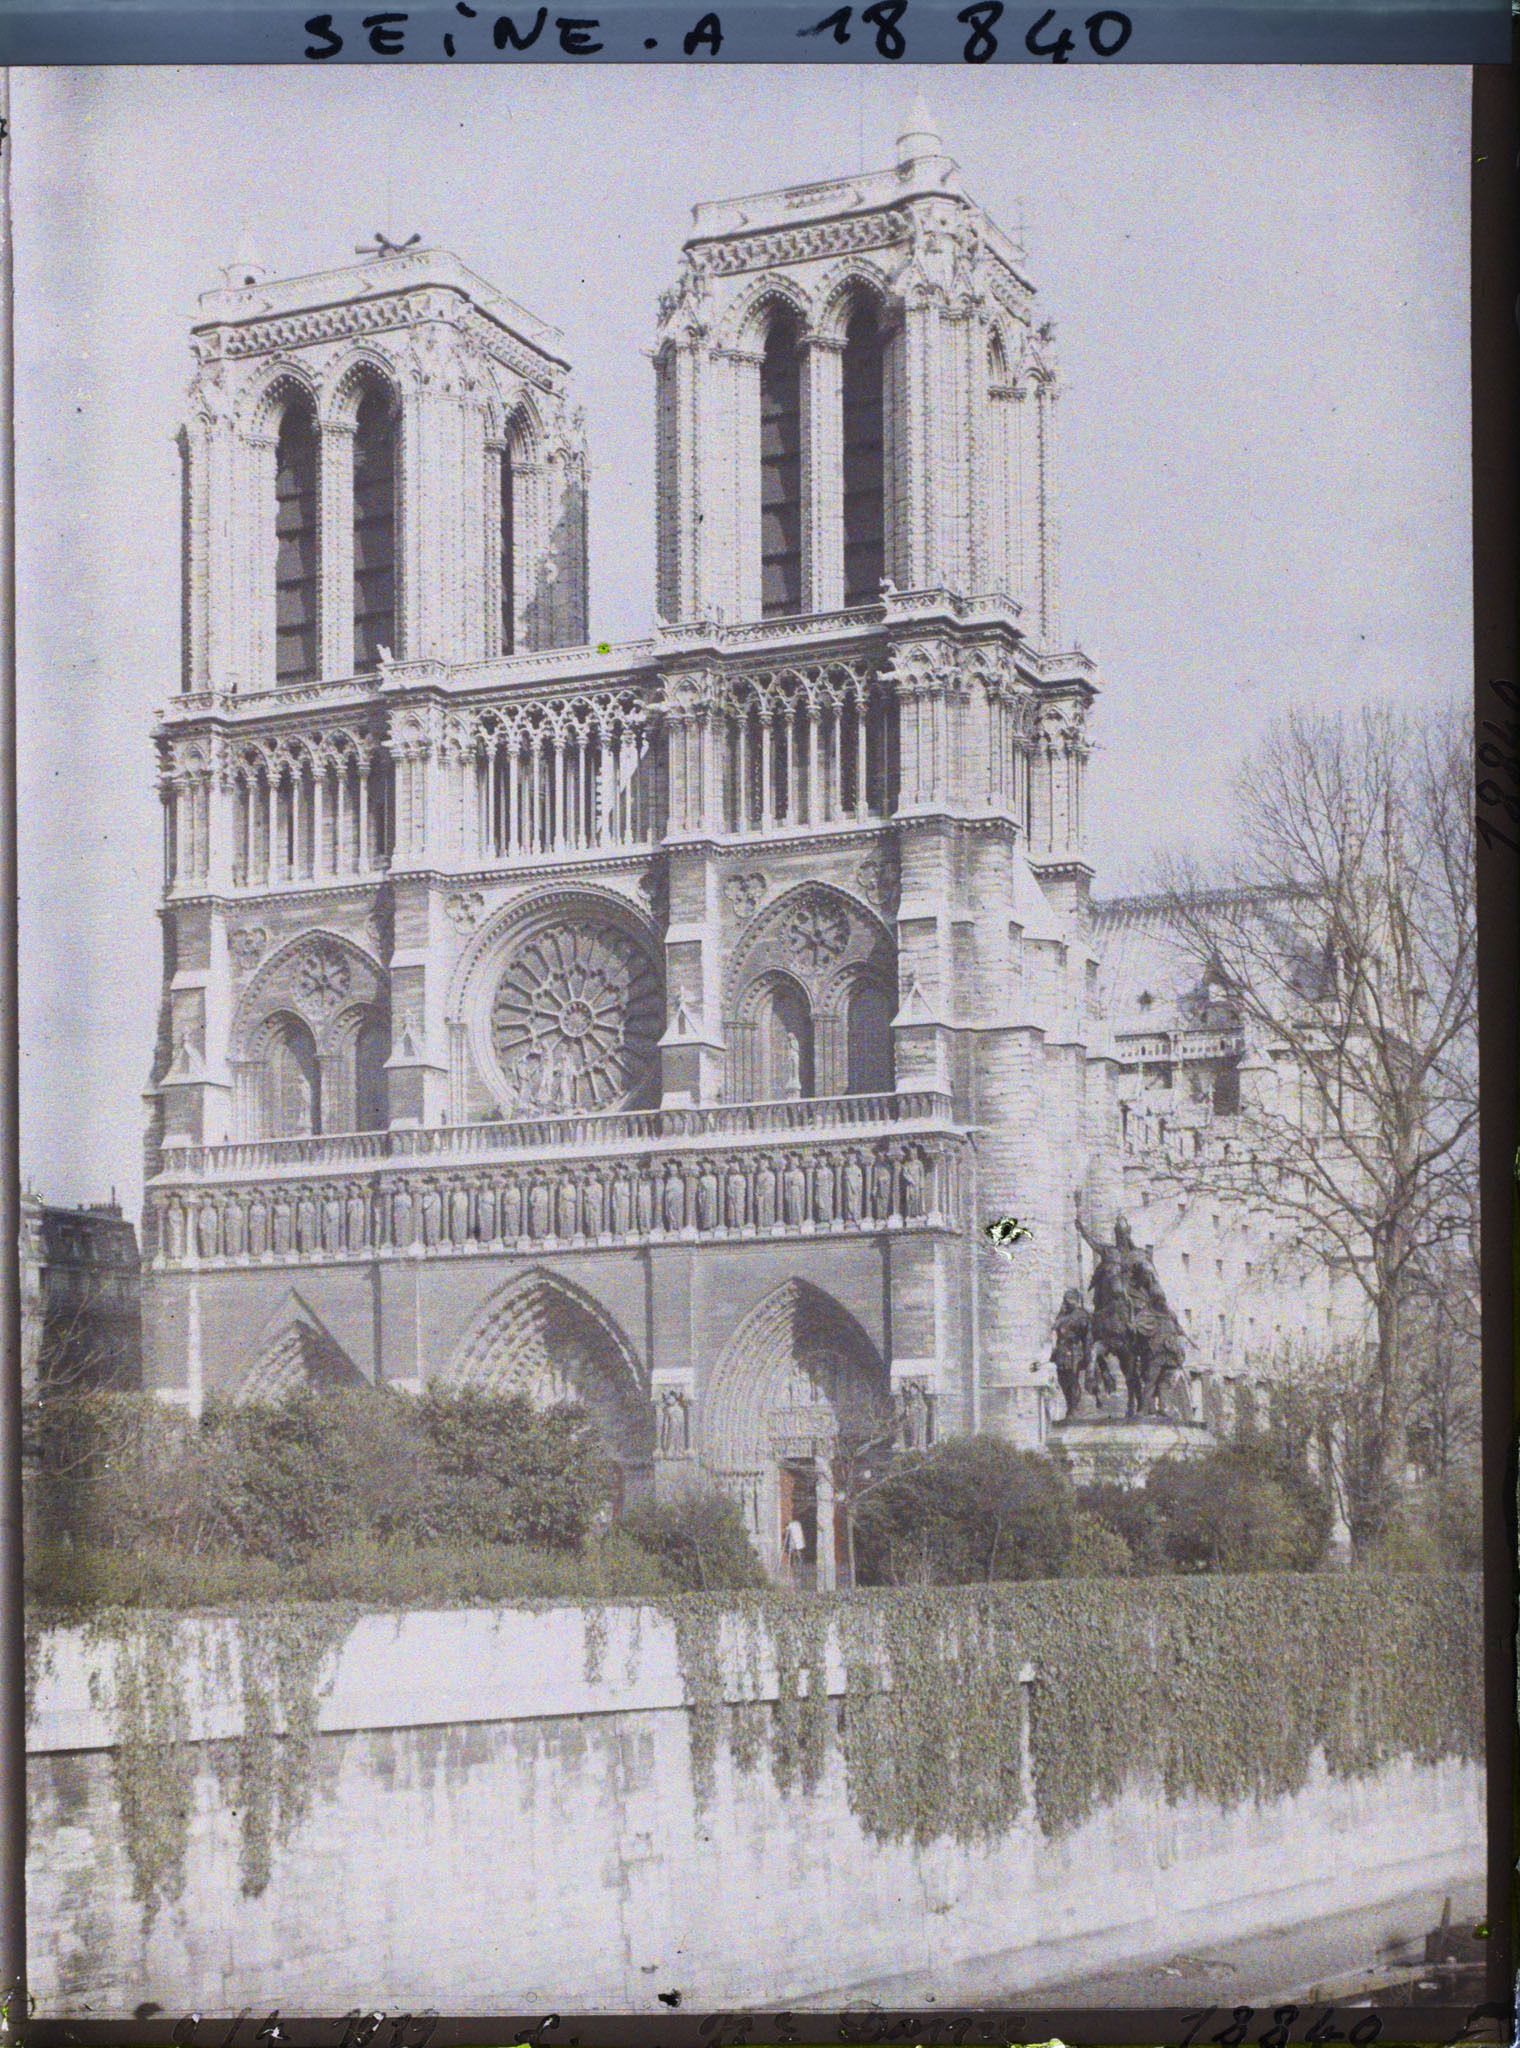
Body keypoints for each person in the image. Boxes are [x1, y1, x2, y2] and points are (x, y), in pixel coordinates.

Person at [782, 1514, 807, 1583]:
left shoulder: (791, 1525)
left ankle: (797, 1572)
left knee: (795, 1558)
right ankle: (801, 1572)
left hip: (795, 1544)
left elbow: (784, 1532)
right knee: (799, 1558)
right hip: (800, 1544)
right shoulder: (798, 1524)